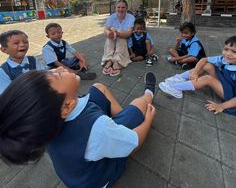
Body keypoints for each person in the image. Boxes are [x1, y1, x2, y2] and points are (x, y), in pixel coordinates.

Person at [0, 68, 157, 188]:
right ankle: (149, 92)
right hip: (100, 179)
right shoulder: (96, 128)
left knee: (98, 87)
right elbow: (135, 144)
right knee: (141, 103)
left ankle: (120, 129)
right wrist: (148, 121)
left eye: (50, 70)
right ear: (67, 106)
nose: (60, 68)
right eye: (57, 75)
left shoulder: (45, 124)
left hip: (78, 174)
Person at [159, 36, 236, 115]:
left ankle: (175, 88)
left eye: (234, 52)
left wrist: (222, 106)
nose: (228, 54)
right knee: (208, 65)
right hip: (226, 84)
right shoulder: (224, 58)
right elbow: (204, 59)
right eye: (226, 49)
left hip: (231, 96)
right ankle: (179, 78)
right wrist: (195, 72)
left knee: (208, 79)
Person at [0, 30, 44, 94]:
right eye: (16, 43)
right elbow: (7, 96)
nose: (22, 44)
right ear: (4, 49)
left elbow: (44, 77)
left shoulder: (33, 60)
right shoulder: (3, 71)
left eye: (25, 42)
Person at [102, 0, 135, 76]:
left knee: (118, 32)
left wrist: (117, 33)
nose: (120, 9)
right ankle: (109, 60)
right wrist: (108, 33)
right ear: (115, 8)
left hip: (125, 38)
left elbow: (129, 33)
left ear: (126, 9)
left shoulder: (131, 17)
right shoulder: (112, 17)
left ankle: (117, 61)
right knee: (111, 32)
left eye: (123, 7)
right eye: (118, 7)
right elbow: (105, 29)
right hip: (113, 39)